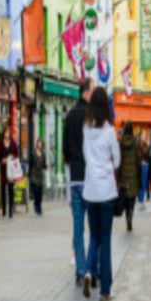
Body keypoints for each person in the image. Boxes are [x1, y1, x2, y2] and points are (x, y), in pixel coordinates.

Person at [81, 87, 119, 300]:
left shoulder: (86, 129)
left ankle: (88, 270)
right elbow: (118, 158)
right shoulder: (109, 130)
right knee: (106, 239)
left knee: (93, 236)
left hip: (90, 191)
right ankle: (105, 289)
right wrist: (110, 165)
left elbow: (86, 156)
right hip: (106, 192)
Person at [63, 78, 93, 287]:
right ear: (85, 92)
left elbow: (65, 147)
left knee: (77, 227)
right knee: (94, 226)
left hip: (75, 178)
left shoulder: (70, 115)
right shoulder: (91, 117)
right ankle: (91, 268)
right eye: (92, 90)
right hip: (90, 178)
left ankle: (80, 270)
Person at [118, 121, 141, 232]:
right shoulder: (136, 143)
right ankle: (131, 214)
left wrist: (118, 176)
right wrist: (140, 175)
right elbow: (138, 160)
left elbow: (118, 159)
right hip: (134, 175)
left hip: (123, 175)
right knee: (132, 198)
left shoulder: (121, 142)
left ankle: (127, 216)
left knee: (126, 198)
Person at [0, 133, 19, 218]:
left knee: (11, 189)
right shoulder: (1, 144)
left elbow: (17, 154)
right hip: (3, 169)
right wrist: (2, 160)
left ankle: (10, 210)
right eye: (6, 132)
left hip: (11, 169)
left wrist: (12, 157)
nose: (7, 134)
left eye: (8, 132)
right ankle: (4, 209)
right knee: (3, 189)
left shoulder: (13, 143)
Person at [29, 139, 47, 215]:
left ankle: (39, 207)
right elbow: (30, 163)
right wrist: (29, 172)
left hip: (40, 174)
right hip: (34, 173)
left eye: (40, 143)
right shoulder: (33, 152)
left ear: (42, 145)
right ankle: (36, 206)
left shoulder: (43, 154)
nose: (39, 144)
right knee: (36, 191)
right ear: (36, 144)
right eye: (38, 143)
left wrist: (46, 167)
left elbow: (44, 165)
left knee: (40, 192)